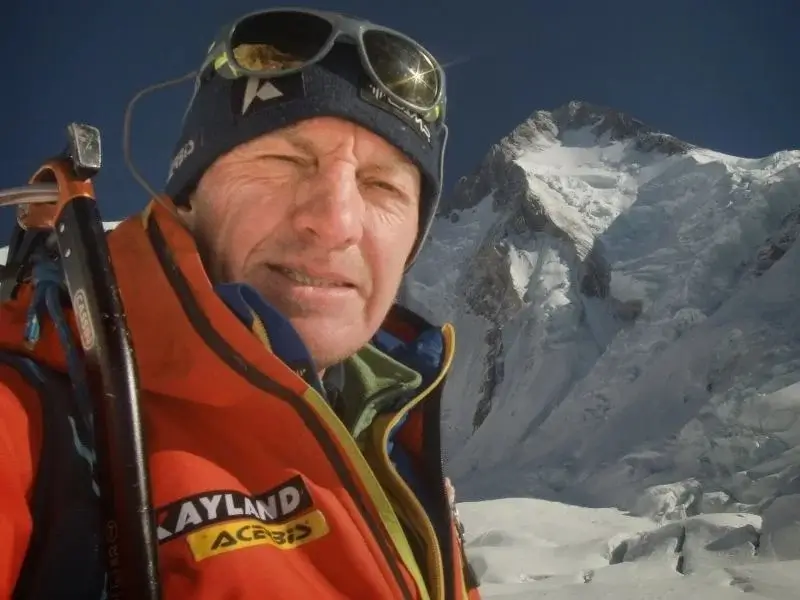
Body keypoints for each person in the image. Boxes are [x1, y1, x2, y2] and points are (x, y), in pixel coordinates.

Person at [0, 7, 482, 600]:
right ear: (186, 200)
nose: (334, 224)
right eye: (283, 163)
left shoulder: (393, 437)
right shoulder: (36, 412)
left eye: (382, 186)